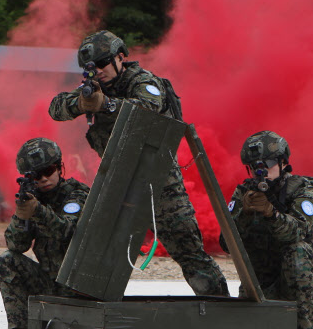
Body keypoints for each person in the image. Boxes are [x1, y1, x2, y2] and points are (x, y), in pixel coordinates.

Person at [49, 30, 229, 297]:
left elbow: (147, 106)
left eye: (102, 63)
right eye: (91, 68)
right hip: (120, 182)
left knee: (188, 252)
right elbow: (56, 108)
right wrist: (82, 102)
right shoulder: (96, 89)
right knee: (98, 252)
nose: (97, 71)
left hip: (160, 183)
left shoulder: (143, 81)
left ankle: (219, 308)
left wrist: (105, 105)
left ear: (120, 57)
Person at [220, 131, 313, 329]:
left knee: (299, 252)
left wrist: (272, 213)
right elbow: (226, 244)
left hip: (298, 279)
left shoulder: (303, 190)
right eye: (255, 166)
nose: (263, 171)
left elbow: (300, 232)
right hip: (260, 282)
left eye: (268, 164)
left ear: (282, 163)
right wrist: (244, 214)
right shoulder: (243, 194)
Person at [0, 138, 90, 329]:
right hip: (50, 283)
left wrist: (38, 211)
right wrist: (21, 216)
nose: (44, 179)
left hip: (78, 286)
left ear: (59, 167)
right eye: (37, 176)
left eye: (48, 170)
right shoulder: (36, 200)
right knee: (7, 261)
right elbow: (17, 245)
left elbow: (67, 231)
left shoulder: (76, 195)